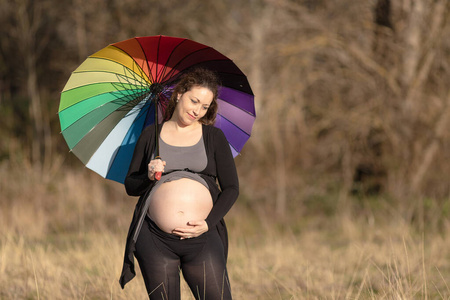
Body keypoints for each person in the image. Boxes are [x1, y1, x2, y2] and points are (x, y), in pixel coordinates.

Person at [119, 68, 239, 300]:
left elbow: (232, 189)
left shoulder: (213, 138)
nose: (197, 110)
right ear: (179, 93)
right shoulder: (150, 135)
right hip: (154, 238)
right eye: (194, 101)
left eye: (205, 106)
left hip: (202, 236)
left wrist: (208, 223)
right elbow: (131, 186)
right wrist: (148, 174)